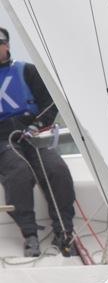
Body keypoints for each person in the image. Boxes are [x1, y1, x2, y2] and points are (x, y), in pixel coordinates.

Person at [0, 26, 76, 257]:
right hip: (3, 141)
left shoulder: (27, 71)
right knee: (19, 171)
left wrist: (36, 125)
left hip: (32, 135)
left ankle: (64, 232)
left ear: (7, 46)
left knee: (57, 169)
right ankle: (30, 235)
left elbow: (50, 101)